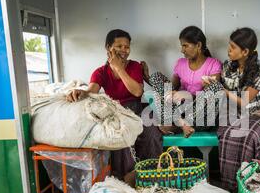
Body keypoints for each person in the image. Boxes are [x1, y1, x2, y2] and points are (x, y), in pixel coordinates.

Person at [67, 29, 163, 183]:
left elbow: (137, 92)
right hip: (117, 111)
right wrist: (81, 92)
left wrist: (119, 68)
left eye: (127, 47)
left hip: (140, 107)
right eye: (119, 46)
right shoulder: (101, 72)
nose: (124, 50)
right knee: (120, 136)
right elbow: (92, 91)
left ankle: (153, 175)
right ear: (108, 48)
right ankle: (126, 178)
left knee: (152, 134)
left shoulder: (135, 66)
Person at [209, 28, 260, 193]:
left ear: (245, 51)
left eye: (233, 47)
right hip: (229, 114)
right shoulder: (227, 66)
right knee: (229, 135)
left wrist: (224, 91)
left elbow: (244, 101)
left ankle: (246, 187)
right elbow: (217, 84)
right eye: (229, 45)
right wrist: (212, 82)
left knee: (248, 136)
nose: (228, 50)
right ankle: (229, 188)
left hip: (253, 116)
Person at [144, 26, 223, 138]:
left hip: (200, 117)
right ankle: (180, 124)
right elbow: (169, 89)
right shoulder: (180, 63)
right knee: (156, 77)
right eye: (182, 46)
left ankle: (177, 126)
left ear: (199, 45)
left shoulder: (214, 64)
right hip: (179, 113)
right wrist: (149, 78)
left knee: (216, 87)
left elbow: (211, 96)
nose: (182, 50)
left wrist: (188, 95)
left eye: (185, 45)